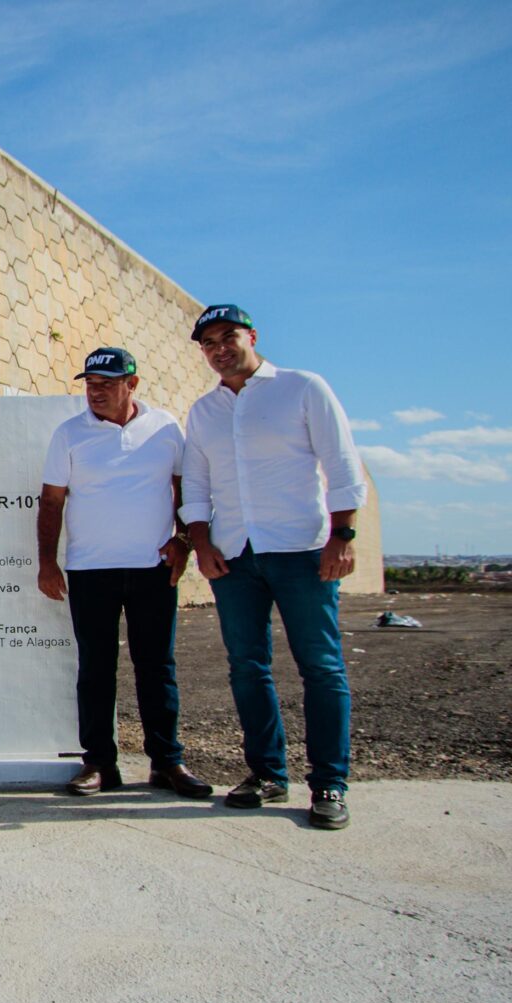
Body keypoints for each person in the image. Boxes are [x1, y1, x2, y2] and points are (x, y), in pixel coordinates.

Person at [180, 304, 366, 830]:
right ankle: (266, 773)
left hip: (302, 550)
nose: (219, 348)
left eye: (228, 336)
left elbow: (342, 463)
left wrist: (342, 536)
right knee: (246, 667)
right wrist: (200, 540)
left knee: (321, 667)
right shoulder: (204, 411)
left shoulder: (303, 388)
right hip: (234, 556)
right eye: (208, 343)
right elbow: (195, 482)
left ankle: (329, 782)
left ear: (252, 336)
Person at [38, 346, 213, 799]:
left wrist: (184, 541)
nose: (95, 393)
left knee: (157, 667)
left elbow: (184, 489)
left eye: (106, 384)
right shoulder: (69, 433)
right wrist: (47, 562)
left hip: (153, 569)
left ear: (132, 385)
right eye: (90, 384)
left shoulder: (165, 428)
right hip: (90, 568)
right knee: (96, 669)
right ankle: (98, 763)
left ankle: (167, 762)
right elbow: (52, 500)